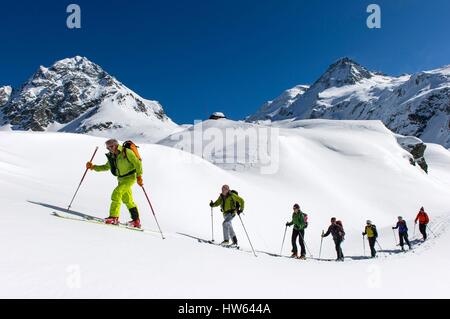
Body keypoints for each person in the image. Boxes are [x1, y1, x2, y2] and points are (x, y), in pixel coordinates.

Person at [86, 139, 144, 228]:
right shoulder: (112, 156)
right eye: (108, 148)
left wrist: (139, 176)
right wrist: (93, 167)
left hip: (130, 178)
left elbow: (137, 163)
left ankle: (114, 217)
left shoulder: (126, 152)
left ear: (115, 145)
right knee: (128, 200)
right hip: (121, 179)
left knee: (117, 193)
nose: (109, 149)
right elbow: (106, 167)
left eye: (110, 147)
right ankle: (136, 221)